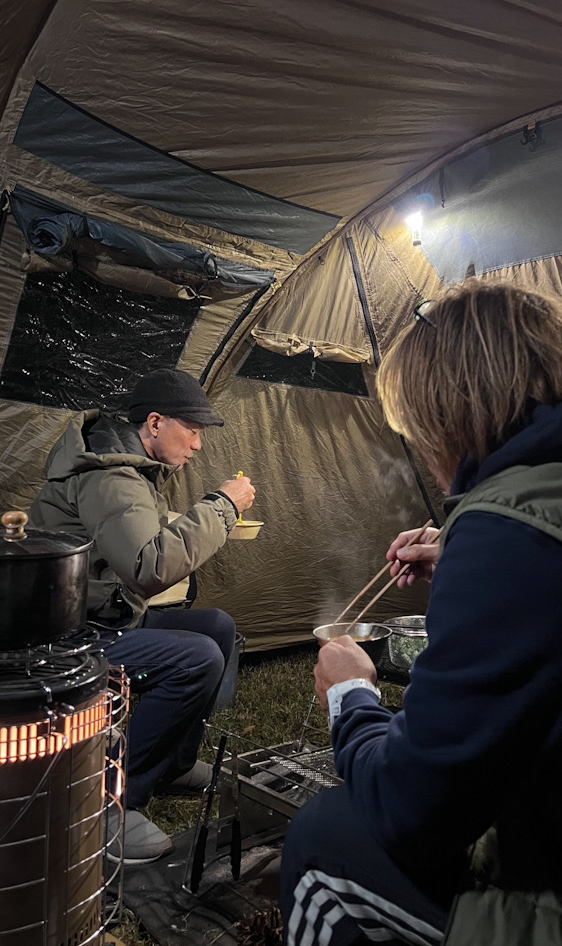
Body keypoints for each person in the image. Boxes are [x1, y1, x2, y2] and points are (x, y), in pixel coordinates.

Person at [281, 280, 562, 945]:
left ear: (450, 414)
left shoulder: (512, 533)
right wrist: (464, 546)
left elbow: (411, 810)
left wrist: (351, 696)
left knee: (323, 838)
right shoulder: (532, 508)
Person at [29, 367, 256, 863]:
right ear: (155, 423)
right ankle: (107, 802)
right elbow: (148, 567)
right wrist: (221, 507)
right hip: (70, 636)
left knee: (218, 629)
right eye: (192, 431)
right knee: (196, 659)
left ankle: (172, 763)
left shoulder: (130, 466)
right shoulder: (110, 474)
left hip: (103, 615)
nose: (197, 445)